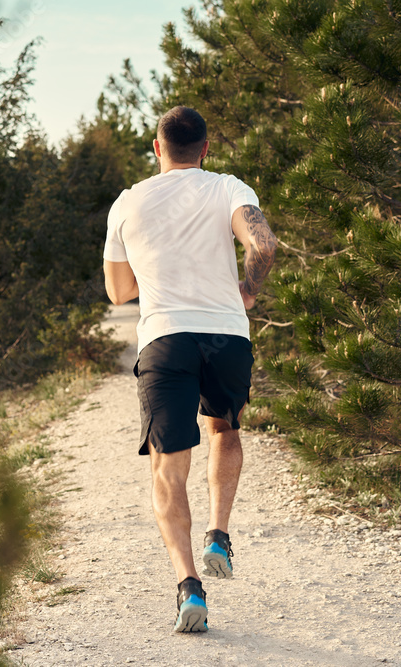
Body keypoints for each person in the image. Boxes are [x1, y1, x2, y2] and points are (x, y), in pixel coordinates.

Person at [102, 106, 278, 633]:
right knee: (224, 429)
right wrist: (247, 289)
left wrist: (159, 267)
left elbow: (117, 293)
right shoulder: (228, 188)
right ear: (205, 149)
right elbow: (264, 244)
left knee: (167, 465)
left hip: (165, 340)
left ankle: (189, 591)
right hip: (225, 334)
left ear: (157, 149)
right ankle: (219, 536)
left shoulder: (128, 203)